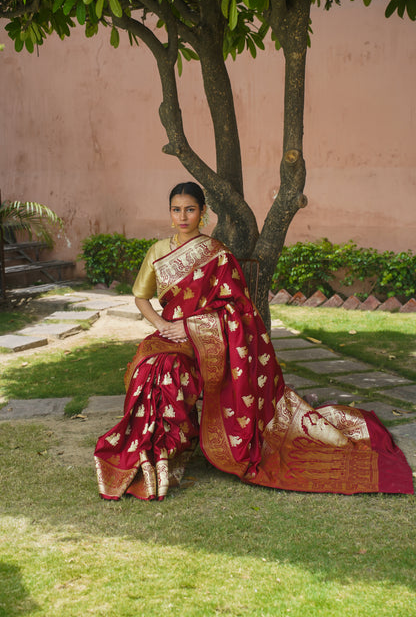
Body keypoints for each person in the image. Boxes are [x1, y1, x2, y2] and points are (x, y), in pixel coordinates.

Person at [94, 182, 414, 500]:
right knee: (150, 368)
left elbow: (238, 310)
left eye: (190, 209)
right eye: (176, 210)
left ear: (202, 213)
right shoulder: (157, 252)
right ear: (170, 213)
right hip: (167, 334)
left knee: (171, 370)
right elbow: (141, 298)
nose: (182, 216)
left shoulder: (217, 255)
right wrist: (163, 325)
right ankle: (153, 452)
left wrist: (191, 327)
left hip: (208, 342)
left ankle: (166, 450)